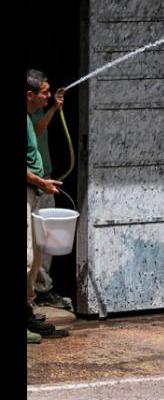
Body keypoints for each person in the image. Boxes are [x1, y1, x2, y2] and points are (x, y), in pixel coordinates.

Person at [28, 70, 73, 311]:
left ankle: (41, 289)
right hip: (34, 184)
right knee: (32, 244)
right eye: (44, 92)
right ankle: (37, 294)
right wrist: (54, 109)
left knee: (44, 242)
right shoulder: (29, 115)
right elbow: (37, 130)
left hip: (44, 180)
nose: (48, 95)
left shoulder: (38, 107)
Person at [27, 69, 64, 344]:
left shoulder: (30, 117)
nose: (48, 95)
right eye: (45, 93)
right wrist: (39, 180)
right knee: (27, 258)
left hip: (35, 190)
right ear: (30, 95)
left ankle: (27, 310)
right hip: (29, 190)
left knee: (36, 256)